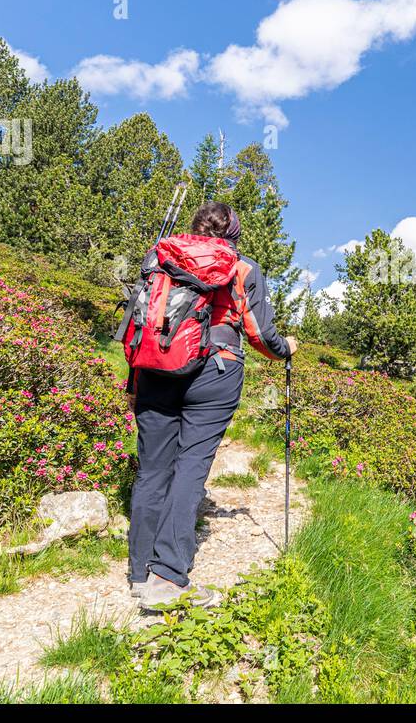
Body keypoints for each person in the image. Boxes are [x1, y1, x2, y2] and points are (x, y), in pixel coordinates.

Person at [125, 200, 296, 609]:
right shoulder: (241, 267)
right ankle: (167, 576)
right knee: (191, 465)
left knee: (152, 469)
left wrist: (133, 379)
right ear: (233, 234)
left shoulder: (160, 257)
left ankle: (138, 571)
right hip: (215, 373)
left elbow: (139, 320)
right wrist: (285, 349)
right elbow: (258, 331)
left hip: (155, 368)